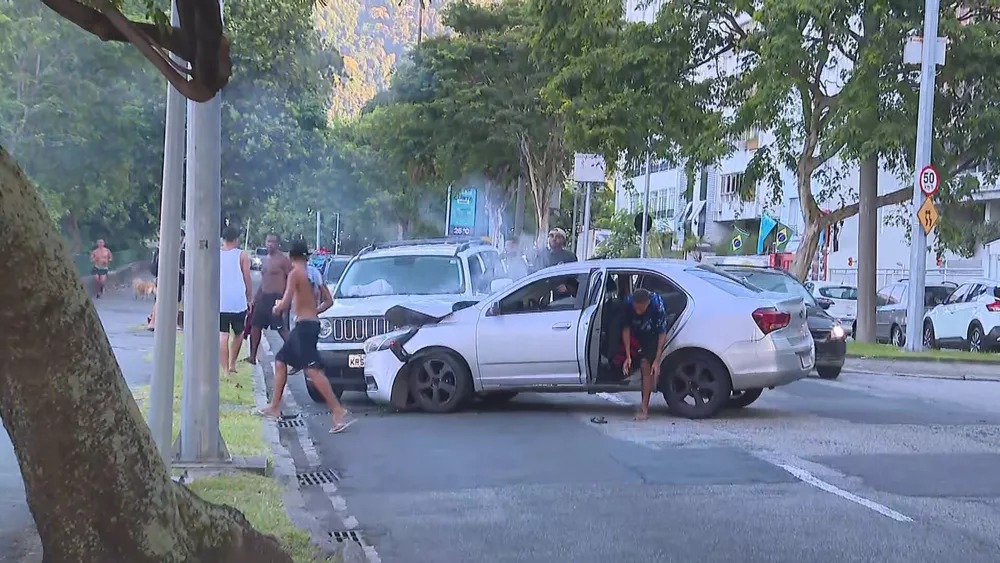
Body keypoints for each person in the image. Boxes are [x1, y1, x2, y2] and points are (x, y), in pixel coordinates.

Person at [257, 241, 353, 433]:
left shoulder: (295, 274)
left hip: (304, 327)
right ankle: (275, 406)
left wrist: (276, 308)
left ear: (292, 258)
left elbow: (285, 303)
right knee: (280, 360)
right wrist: (313, 311)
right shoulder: (314, 274)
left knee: (313, 370)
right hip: (311, 323)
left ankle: (337, 410)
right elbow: (329, 300)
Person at [622, 288, 669, 421]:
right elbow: (626, 328)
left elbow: (662, 333)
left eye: (641, 308)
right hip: (637, 331)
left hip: (652, 333)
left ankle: (644, 409)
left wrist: (657, 360)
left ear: (647, 303)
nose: (638, 310)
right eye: (636, 307)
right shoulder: (628, 303)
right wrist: (628, 356)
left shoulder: (657, 306)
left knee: (645, 365)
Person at [248, 233, 292, 365]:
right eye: (268, 241)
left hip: (278, 298)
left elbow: (291, 278)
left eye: (273, 242)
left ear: (277, 244)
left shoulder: (283, 260)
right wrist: (255, 298)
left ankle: (295, 357)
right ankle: (252, 357)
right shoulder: (265, 259)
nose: (270, 244)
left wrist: (287, 299)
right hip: (264, 298)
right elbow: (264, 281)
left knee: (282, 329)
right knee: (255, 327)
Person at [219, 225, 253, 373]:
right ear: (236, 239)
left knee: (223, 334)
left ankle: (225, 369)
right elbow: (247, 277)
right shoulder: (242, 255)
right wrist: (250, 297)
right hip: (238, 300)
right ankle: (232, 364)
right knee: (239, 333)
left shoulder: (216, 254)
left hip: (221, 299)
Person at [147, 230, 185, 331]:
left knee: (161, 299)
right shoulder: (176, 250)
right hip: (172, 277)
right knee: (173, 301)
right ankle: (166, 323)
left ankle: (153, 322)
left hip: (162, 277)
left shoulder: (162, 248)